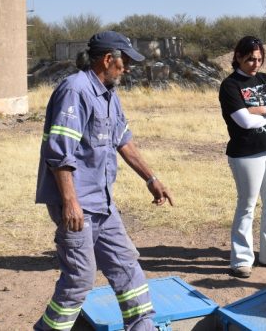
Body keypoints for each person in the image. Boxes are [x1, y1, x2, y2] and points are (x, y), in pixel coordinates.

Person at [34, 31, 174, 331]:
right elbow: (59, 153)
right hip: (77, 205)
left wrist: (151, 178)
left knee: (127, 267)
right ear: (108, 59)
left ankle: (142, 327)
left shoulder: (110, 94)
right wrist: (70, 202)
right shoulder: (75, 91)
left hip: (103, 202)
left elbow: (123, 141)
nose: (128, 68)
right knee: (80, 278)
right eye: (124, 62)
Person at [219, 35, 266, 279]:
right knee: (247, 204)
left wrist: (261, 110)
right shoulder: (230, 86)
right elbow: (244, 121)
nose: (255, 64)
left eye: (259, 59)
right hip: (245, 153)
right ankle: (242, 259)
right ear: (238, 57)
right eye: (250, 59)